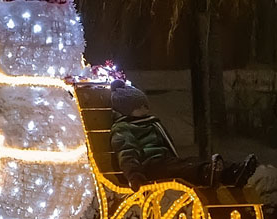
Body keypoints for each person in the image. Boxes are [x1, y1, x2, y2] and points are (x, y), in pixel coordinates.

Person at [108, 80, 257, 189]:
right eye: (140, 107)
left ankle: (232, 172)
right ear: (127, 110)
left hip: (165, 161)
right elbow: (127, 152)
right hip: (149, 168)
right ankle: (207, 173)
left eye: (145, 105)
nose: (146, 109)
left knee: (189, 162)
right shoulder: (123, 128)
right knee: (182, 169)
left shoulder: (150, 122)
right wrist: (134, 175)